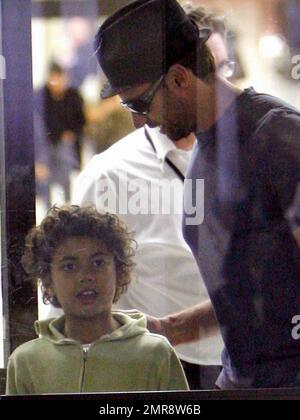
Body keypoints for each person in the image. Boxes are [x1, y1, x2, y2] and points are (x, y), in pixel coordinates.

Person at [93, 0, 300, 389]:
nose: (139, 121)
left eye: (137, 103)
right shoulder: (207, 151)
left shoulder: (277, 138)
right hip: (242, 379)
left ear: (179, 79)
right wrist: (164, 330)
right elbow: (250, 289)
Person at [73, 4, 235, 390]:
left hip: (250, 358)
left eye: (223, 70)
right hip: (160, 367)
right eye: (131, 105)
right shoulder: (109, 174)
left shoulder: (256, 151)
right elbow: (68, 280)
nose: (139, 119)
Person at [5, 205, 188, 394]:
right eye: (69, 266)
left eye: (98, 263)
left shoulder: (156, 354)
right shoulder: (25, 361)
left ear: (120, 272)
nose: (86, 276)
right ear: (48, 281)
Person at [34, 63, 86, 203]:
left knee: (65, 180)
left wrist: (71, 134)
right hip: (46, 144)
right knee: (46, 182)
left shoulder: (73, 96)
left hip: (65, 144)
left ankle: (68, 206)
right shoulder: (40, 96)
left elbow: (80, 121)